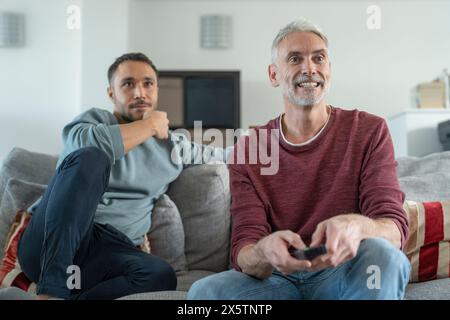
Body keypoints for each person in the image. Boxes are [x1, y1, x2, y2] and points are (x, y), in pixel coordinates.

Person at [187, 19, 411, 300]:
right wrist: (263, 250)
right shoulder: (249, 148)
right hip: (276, 281)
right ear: (273, 75)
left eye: (319, 58)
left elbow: (393, 228)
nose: (309, 68)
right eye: (295, 59)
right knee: (205, 292)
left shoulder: (369, 130)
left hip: (343, 273)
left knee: (384, 257)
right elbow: (244, 248)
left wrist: (356, 227)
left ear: (329, 69)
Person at [17, 52, 229, 300]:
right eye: (128, 84)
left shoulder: (173, 146)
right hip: (49, 240)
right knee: (91, 157)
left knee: (160, 274)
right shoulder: (93, 122)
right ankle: (51, 292)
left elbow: (224, 154)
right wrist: (150, 125)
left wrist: (272, 140)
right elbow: (84, 148)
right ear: (111, 93)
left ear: (157, 90)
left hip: (105, 253)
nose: (140, 93)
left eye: (148, 84)